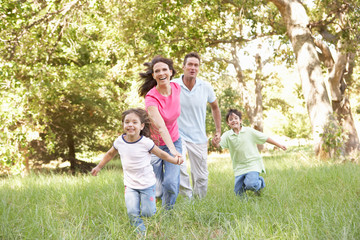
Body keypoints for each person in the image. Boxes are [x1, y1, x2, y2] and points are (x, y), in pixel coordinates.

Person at [91, 108, 183, 234]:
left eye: (135, 122)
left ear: (141, 126)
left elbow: (162, 154)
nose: (130, 125)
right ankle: (141, 233)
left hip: (147, 185)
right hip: (130, 185)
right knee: (132, 212)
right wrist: (99, 167)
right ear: (123, 125)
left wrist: (175, 160)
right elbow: (109, 154)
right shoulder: (119, 141)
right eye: (127, 122)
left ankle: (150, 210)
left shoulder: (146, 143)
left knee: (148, 212)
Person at [172, 52, 221, 199]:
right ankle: (188, 200)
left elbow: (215, 107)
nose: (193, 68)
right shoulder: (173, 85)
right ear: (183, 67)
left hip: (199, 137)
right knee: (180, 168)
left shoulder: (205, 87)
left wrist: (218, 131)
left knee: (201, 176)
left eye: (196, 65)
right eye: (190, 65)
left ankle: (199, 202)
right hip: (178, 136)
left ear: (199, 68)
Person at [138, 56, 183, 209]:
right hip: (155, 146)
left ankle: (167, 213)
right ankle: (155, 204)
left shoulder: (177, 88)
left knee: (170, 183)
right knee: (157, 189)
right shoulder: (151, 98)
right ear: (153, 75)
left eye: (165, 69)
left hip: (175, 140)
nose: (161, 73)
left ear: (171, 72)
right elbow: (161, 127)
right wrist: (172, 151)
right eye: (157, 71)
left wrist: (174, 148)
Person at [213, 108, 286, 197]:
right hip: (239, 167)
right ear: (228, 123)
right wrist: (215, 142)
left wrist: (279, 145)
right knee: (238, 193)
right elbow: (218, 145)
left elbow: (265, 137)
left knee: (251, 184)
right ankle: (245, 207)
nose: (234, 121)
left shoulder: (249, 131)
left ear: (240, 120)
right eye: (231, 119)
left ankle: (260, 183)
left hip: (252, 164)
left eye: (236, 118)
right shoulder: (227, 135)